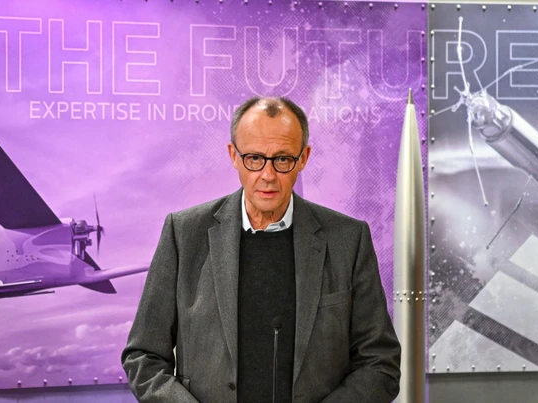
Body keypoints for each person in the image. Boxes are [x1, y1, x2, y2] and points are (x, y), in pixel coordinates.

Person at [121, 97, 401, 403]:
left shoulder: (348, 239)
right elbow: (144, 357)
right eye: (254, 158)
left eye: (282, 159)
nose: (268, 175)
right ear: (234, 155)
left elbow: (380, 363)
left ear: (303, 158)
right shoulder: (184, 234)